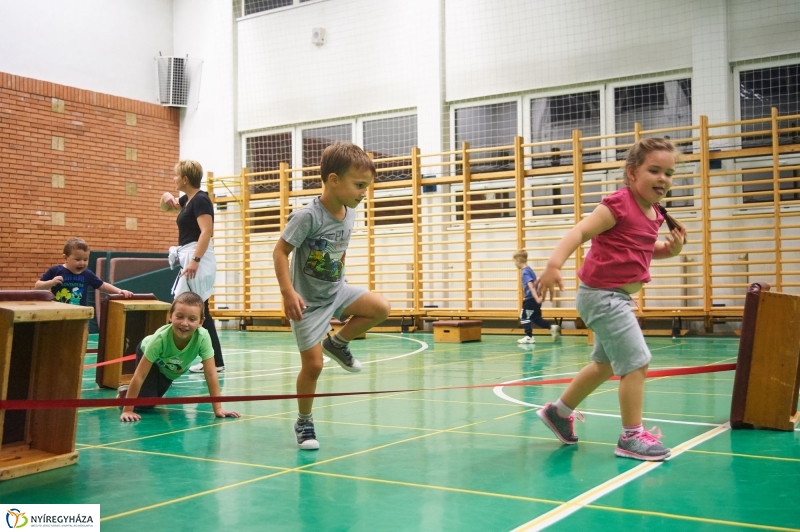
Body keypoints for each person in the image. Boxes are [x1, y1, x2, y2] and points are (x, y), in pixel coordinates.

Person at [535, 137, 685, 462]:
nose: (663, 179)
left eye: (669, 173)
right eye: (654, 170)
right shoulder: (617, 204)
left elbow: (644, 250)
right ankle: (631, 437)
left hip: (616, 298)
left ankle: (559, 413)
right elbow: (578, 232)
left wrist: (669, 250)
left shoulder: (654, 212)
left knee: (604, 365)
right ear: (632, 173)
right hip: (602, 296)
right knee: (637, 361)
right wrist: (553, 265)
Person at [273, 142, 391, 450]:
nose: (364, 192)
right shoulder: (307, 217)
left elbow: (341, 250)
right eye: (360, 185)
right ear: (334, 180)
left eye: (367, 186)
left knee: (380, 307)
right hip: (307, 303)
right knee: (313, 366)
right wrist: (288, 293)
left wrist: (340, 278)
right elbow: (279, 251)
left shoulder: (349, 213)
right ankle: (303, 421)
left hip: (336, 289)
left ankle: (337, 342)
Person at [118, 292, 240, 422]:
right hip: (150, 357)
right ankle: (124, 394)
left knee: (152, 399)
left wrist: (218, 409)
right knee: (146, 404)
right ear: (171, 316)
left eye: (192, 319)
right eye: (180, 316)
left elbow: (211, 374)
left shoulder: (203, 337)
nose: (184, 323)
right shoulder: (159, 340)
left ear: (201, 322)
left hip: (169, 369)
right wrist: (128, 410)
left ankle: (142, 391)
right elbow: (139, 375)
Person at [160, 160, 225, 373]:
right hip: (191, 255)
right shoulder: (187, 201)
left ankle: (180, 356)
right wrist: (166, 196)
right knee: (199, 307)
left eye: (176, 176)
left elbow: (206, 232)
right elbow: (164, 207)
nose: (174, 179)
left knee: (188, 305)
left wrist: (195, 261)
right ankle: (215, 361)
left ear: (185, 179)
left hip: (199, 256)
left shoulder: (201, 200)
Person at [35, 237, 133, 304]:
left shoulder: (87, 274)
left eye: (85, 259)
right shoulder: (55, 271)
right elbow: (38, 286)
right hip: (59, 313)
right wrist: (51, 283)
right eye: (77, 259)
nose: (82, 263)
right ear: (65, 258)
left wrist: (119, 291)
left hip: (80, 313)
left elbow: (102, 285)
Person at [513, 249, 560, 344]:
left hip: (531, 299)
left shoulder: (525, 272)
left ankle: (529, 337)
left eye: (514, 261)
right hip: (535, 299)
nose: (514, 264)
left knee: (523, 317)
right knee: (535, 318)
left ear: (518, 260)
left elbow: (531, 285)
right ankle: (551, 327)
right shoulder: (530, 270)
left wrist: (536, 297)